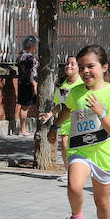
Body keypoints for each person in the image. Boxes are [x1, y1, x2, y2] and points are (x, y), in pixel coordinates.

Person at [48, 45, 110, 219]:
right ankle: (77, 217)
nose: (85, 71)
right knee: (74, 185)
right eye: (81, 67)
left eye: (91, 66)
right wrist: (55, 127)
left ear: (104, 67)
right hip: (80, 148)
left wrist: (101, 112)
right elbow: (67, 110)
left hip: (103, 154)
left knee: (102, 201)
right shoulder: (77, 92)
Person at [41, 55, 81, 183]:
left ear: (79, 68)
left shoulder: (83, 83)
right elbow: (60, 105)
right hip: (66, 120)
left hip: (80, 120)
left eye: (72, 64)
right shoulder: (61, 85)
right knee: (64, 144)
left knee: (78, 146)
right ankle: (68, 171)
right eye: (67, 64)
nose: (69, 66)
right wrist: (50, 114)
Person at [15, 35, 38, 136]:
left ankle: (22, 128)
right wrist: (34, 84)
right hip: (28, 83)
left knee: (24, 106)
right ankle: (22, 129)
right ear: (32, 46)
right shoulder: (29, 57)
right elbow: (30, 72)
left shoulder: (21, 55)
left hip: (21, 83)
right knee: (25, 107)